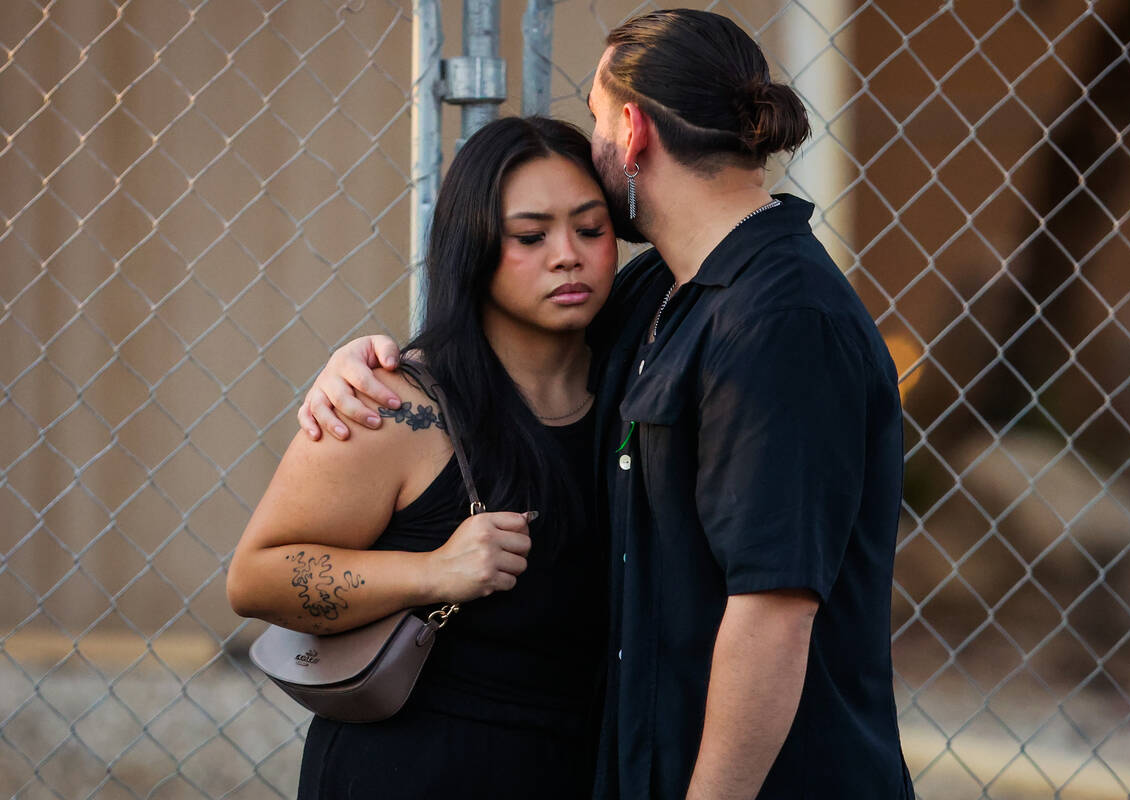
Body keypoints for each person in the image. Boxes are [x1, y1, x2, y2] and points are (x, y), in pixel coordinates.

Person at [300, 9, 914, 799]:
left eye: (592, 118)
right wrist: (367, 364)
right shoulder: (661, 292)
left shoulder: (782, 322)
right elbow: (503, 348)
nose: (590, 149)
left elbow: (774, 613)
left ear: (632, 132)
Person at [227, 116, 618, 799]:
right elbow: (255, 580)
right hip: (416, 768)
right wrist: (433, 572)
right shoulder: (394, 405)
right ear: (474, 246)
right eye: (530, 236)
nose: (568, 255)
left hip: (577, 763)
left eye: (591, 229)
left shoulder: (636, 380)